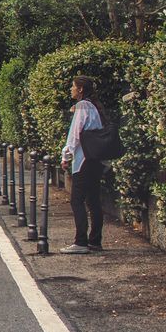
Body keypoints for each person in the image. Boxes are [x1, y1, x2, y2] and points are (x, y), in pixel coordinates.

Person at [60, 75, 105, 254]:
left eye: (73, 86)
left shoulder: (82, 106)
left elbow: (75, 134)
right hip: (96, 159)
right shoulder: (93, 106)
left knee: (76, 200)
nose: (71, 89)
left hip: (83, 159)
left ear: (80, 89)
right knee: (93, 201)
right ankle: (95, 240)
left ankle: (80, 242)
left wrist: (66, 156)